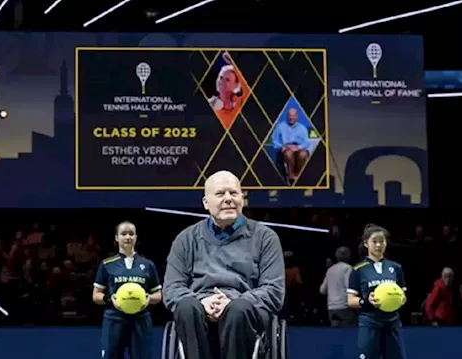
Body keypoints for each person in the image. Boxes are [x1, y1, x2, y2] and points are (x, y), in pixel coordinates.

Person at [163, 170, 285, 359]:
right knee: (186, 307)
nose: (228, 199)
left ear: (242, 199)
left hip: (245, 311)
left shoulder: (265, 238)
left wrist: (232, 303)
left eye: (234, 193)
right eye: (220, 194)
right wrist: (202, 303)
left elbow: (274, 290)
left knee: (237, 310)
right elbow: (172, 288)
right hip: (199, 308)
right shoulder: (185, 239)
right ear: (205, 203)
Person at [92, 221, 162, 359]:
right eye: (123, 234)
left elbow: (158, 294)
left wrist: (149, 299)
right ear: (117, 238)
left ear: (136, 237)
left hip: (140, 319)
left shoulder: (147, 265)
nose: (128, 237)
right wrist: (109, 298)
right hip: (114, 319)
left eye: (131, 233)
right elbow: (96, 295)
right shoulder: (107, 264)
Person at [347, 224, 407, 359]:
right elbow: (350, 300)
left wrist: (401, 299)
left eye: (382, 241)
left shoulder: (395, 267)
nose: (378, 245)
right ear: (366, 243)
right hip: (370, 323)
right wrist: (366, 301)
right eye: (374, 242)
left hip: (392, 323)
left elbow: (402, 294)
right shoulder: (358, 270)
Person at [271, 108, 310, 183]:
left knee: (303, 154)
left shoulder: (302, 128)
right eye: (289, 116)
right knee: (289, 154)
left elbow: (306, 142)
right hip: (286, 148)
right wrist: (281, 146)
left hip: (298, 148)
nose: (291, 118)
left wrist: (298, 147)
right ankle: (291, 176)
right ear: (287, 116)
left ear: (297, 117)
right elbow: (274, 140)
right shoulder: (280, 126)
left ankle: (297, 175)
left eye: (293, 116)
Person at [320, 246, 356, 327]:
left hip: (331, 308)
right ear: (348, 256)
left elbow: (322, 290)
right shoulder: (348, 268)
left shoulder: (330, 270)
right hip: (344, 307)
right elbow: (349, 287)